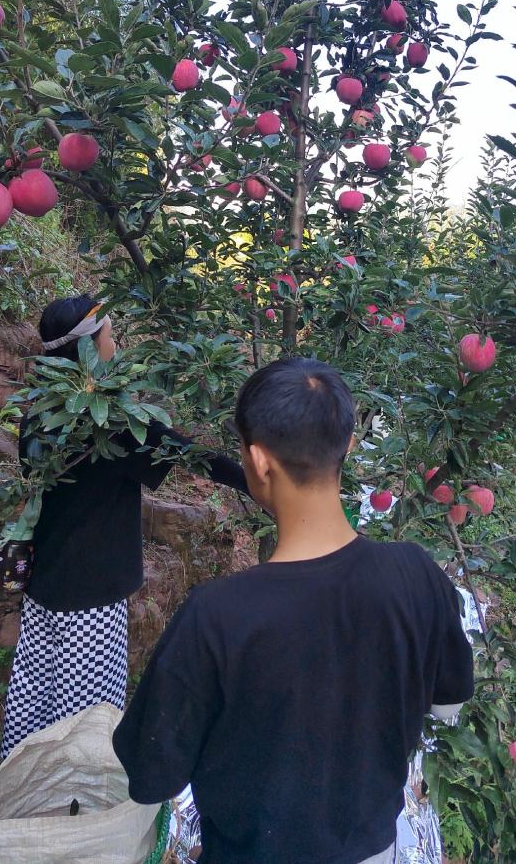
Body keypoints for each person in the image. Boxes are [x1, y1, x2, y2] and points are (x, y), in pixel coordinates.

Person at [113, 357, 474, 864]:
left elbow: (151, 777)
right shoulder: (418, 574)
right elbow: (448, 704)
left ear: (258, 462)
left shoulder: (215, 617)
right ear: (347, 443)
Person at [0, 294, 250, 759]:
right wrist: (256, 481)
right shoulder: (110, 422)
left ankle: (22, 788)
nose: (116, 344)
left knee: (33, 696)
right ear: (88, 350)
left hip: (44, 584)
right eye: (110, 336)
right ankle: (75, 814)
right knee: (84, 720)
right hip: (91, 595)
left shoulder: (37, 409)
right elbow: (186, 453)